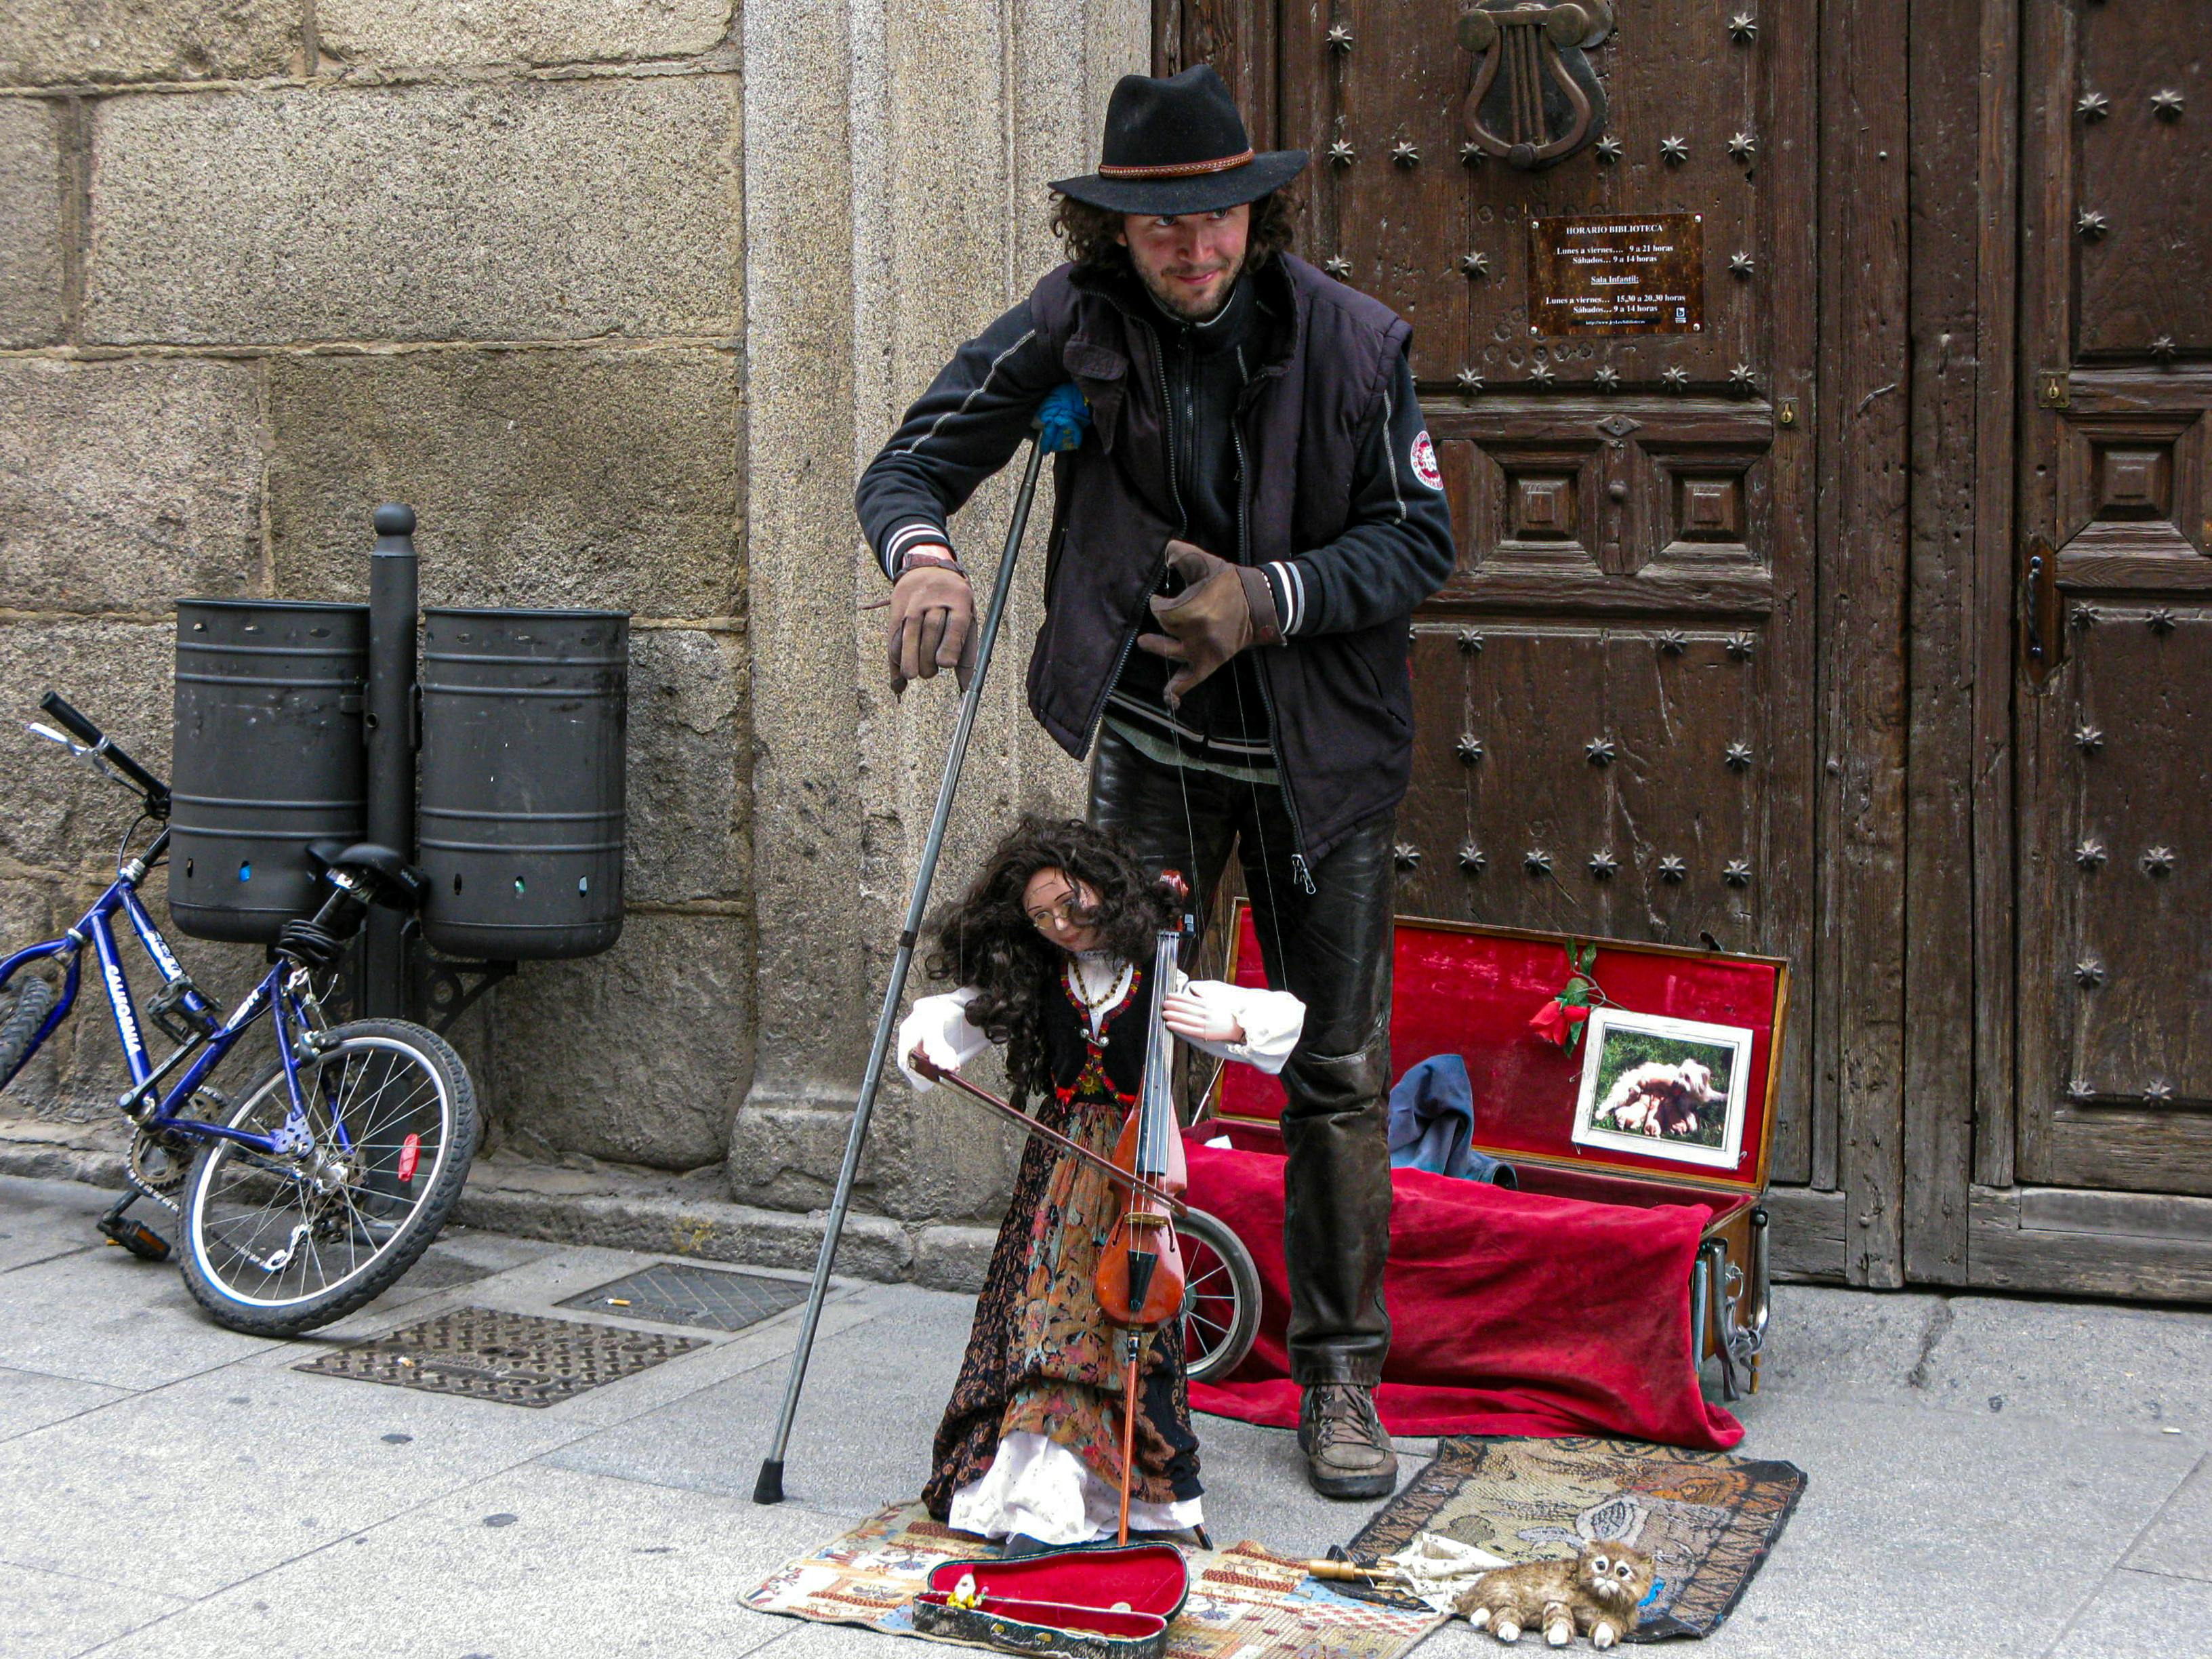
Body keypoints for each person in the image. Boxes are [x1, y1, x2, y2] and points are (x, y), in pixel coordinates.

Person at [858, 65, 1454, 1498]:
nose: (1197, 251)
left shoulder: (1358, 346)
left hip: (1321, 761)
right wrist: (924, 557)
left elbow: (1419, 543)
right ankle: (1104, 1354)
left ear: (1261, 211)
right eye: (1163, 228)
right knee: (1115, 1059)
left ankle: (1339, 1382)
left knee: (1335, 1071)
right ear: (1111, 232)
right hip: (1151, 752)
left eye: (1223, 219)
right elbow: (914, 463)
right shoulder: (1076, 323)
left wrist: (1270, 597)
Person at [899, 817, 1303, 1549]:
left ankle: (1111, 1498)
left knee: (1119, 1323)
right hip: (1057, 1173)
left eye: (1069, 903)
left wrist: (1233, 1026)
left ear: (1102, 885)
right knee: (1049, 1320)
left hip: (1133, 1168)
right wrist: (927, 1047)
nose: (1059, 924)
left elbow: (1274, 1018)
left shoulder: (1155, 970)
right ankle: (1036, 1502)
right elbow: (954, 1019)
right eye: (1040, 916)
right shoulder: (1036, 975)